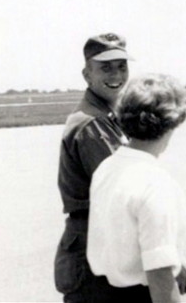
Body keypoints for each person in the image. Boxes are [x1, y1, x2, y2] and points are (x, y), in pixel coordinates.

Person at [87, 74, 186, 303]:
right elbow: (159, 276)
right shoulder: (155, 183)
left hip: (103, 293)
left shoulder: (107, 168)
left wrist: (175, 260)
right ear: (172, 123)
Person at [54, 33, 134, 303]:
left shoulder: (108, 117)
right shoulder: (91, 124)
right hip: (94, 256)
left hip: (102, 246)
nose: (117, 74)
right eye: (106, 67)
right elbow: (125, 195)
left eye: (122, 66)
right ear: (87, 74)